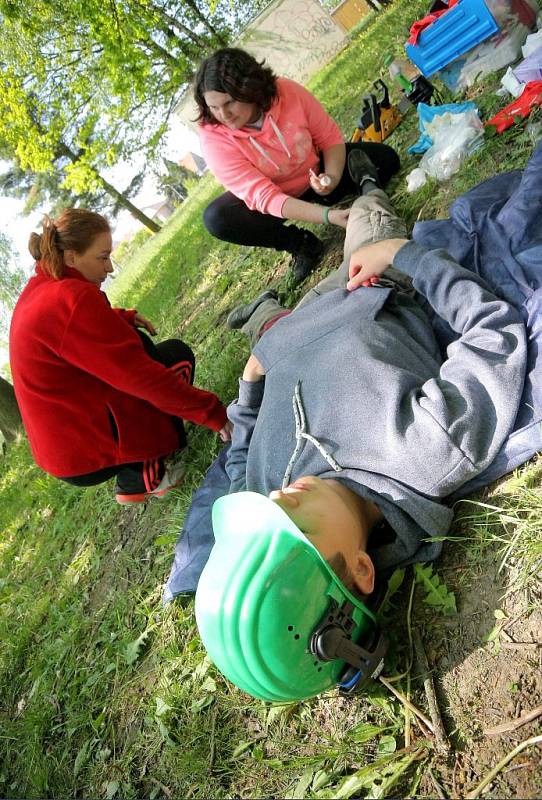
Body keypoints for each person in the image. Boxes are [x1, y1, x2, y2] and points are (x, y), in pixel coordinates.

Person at [195, 186, 527, 701]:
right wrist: (402, 256)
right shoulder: (425, 452)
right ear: (363, 568)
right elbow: (492, 333)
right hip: (364, 284)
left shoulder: (260, 503)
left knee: (273, 322)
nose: (278, 500)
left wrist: (251, 384)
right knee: (366, 210)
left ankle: (264, 318)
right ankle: (365, 192)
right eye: (297, 528)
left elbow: (238, 455)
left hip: (284, 343)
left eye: (266, 512)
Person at [9, 209, 232, 505]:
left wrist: (121, 317)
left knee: (147, 347)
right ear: (72, 257)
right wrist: (215, 415)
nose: (110, 268)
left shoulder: (44, 287)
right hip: (84, 451)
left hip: (65, 450)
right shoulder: (72, 298)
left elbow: (70, 335)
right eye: (102, 258)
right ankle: (144, 472)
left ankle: (134, 466)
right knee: (175, 361)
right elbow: (142, 378)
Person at [194, 47, 400, 284]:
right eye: (214, 107)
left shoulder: (285, 91)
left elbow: (329, 137)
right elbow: (264, 197)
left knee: (387, 159)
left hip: (315, 173)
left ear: (249, 88)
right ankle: (302, 245)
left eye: (229, 102)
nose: (223, 114)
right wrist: (328, 217)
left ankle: (353, 191)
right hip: (275, 199)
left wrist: (330, 177)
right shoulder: (213, 137)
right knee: (218, 218)